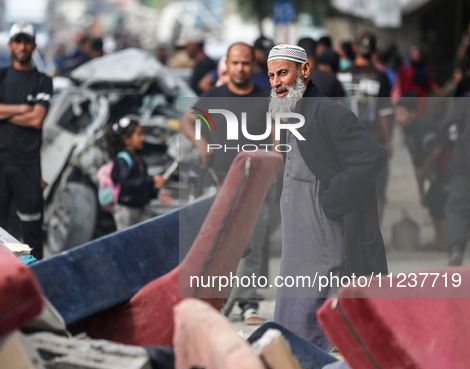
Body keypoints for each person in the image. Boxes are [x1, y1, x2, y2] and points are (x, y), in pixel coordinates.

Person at [267, 44, 387, 350]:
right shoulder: (291, 112)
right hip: (298, 234)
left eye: (283, 72)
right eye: (271, 75)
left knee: (323, 308)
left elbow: (371, 155)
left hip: (323, 231)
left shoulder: (329, 112)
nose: (276, 81)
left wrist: (332, 200)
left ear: (304, 71)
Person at [180, 42, 272, 324]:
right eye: (235, 63)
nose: (240, 68)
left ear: (253, 66)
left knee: (253, 244)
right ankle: (214, 299)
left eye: (245, 63)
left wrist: (276, 155)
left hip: (257, 185)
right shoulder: (214, 96)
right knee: (218, 246)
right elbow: (187, 120)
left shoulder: (266, 97)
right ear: (227, 64)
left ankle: (248, 303)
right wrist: (200, 142)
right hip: (220, 183)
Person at [0, 22, 52, 260]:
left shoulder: (43, 81)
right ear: (10, 44)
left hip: (27, 165)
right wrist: (22, 108)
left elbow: (36, 119)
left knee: (30, 228)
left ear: (33, 45)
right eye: (17, 41)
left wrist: (2, 113)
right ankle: (2, 275)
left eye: (26, 41)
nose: (22, 46)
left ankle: (35, 276)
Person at [337, 31, 392, 224]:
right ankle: (374, 234)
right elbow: (384, 112)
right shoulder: (380, 76)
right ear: (375, 50)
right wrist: (388, 141)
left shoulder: (341, 75)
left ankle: (349, 234)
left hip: (344, 141)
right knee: (377, 188)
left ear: (354, 47)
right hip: (372, 139)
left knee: (348, 188)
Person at [394, 97, 449, 251]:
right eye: (396, 114)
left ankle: (444, 242)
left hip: (448, 167)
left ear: (413, 114)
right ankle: (438, 240)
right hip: (436, 172)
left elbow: (436, 150)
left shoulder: (423, 126)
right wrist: (420, 193)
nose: (398, 118)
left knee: (438, 201)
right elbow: (416, 166)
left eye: (402, 113)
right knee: (432, 199)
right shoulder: (408, 133)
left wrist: (425, 170)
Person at [103, 117, 171, 230]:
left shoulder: (138, 160)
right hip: (127, 211)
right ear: (127, 139)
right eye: (139, 135)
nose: (143, 138)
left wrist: (157, 193)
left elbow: (141, 185)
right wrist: (151, 180)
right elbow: (127, 183)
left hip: (141, 209)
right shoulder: (122, 160)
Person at [441, 71, 470, 266]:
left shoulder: (465, 102)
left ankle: (456, 248)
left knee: (458, 209)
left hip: (464, 164)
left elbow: (447, 129)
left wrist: (452, 146)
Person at [177, 31, 216, 96]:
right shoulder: (200, 64)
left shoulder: (206, 64)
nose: (185, 49)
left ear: (194, 45)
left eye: (186, 46)